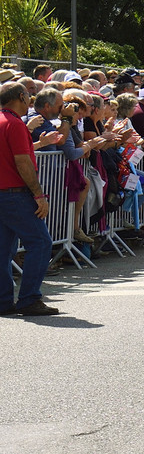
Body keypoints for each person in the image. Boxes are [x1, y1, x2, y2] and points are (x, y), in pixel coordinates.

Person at [0, 81, 60, 317]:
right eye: (28, 96)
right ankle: (29, 298)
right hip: (15, 194)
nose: (30, 101)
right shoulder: (14, 124)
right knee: (40, 242)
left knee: (4, 249)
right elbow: (23, 162)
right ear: (21, 97)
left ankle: (4, 300)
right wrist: (39, 194)